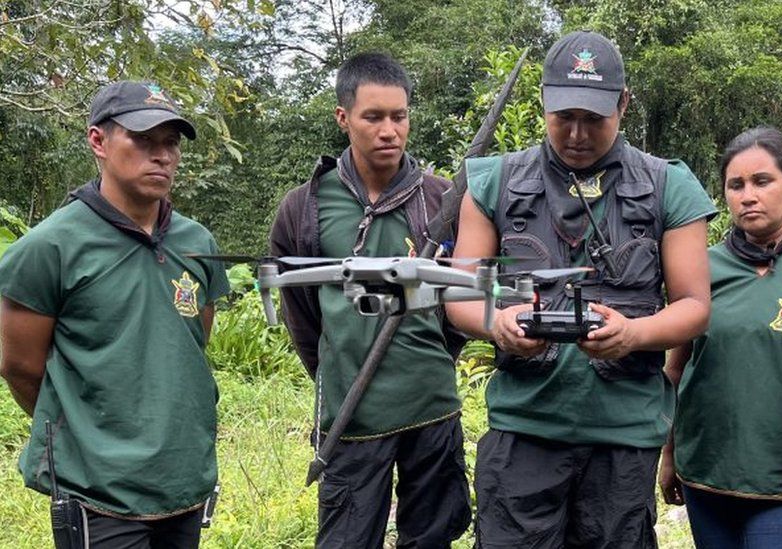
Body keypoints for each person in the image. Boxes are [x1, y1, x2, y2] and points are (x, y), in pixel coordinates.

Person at [445, 31, 714, 548]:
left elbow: (695, 306)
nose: (576, 133)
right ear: (543, 101)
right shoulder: (493, 182)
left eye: (594, 118)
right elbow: (461, 291)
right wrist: (495, 323)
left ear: (624, 103)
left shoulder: (669, 185)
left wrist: (633, 334)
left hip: (622, 434)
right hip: (524, 427)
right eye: (563, 115)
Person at [0, 81, 230, 547]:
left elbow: (193, 344)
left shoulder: (197, 243)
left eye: (170, 143)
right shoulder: (50, 248)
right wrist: (91, 433)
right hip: (99, 492)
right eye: (143, 140)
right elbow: (21, 366)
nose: (162, 155)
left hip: (184, 478)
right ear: (98, 142)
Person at [269, 52, 471, 548]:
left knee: (433, 538)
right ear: (343, 118)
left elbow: (464, 297)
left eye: (399, 117)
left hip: (433, 409)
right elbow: (302, 314)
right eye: (373, 117)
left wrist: (440, 355)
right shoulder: (305, 208)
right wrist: (335, 364)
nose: (389, 131)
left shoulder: (442, 201)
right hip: (351, 417)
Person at [658, 127, 782, 549]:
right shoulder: (701, 268)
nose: (748, 196)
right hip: (705, 471)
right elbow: (676, 368)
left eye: (763, 181)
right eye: (736, 185)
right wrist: (669, 455)